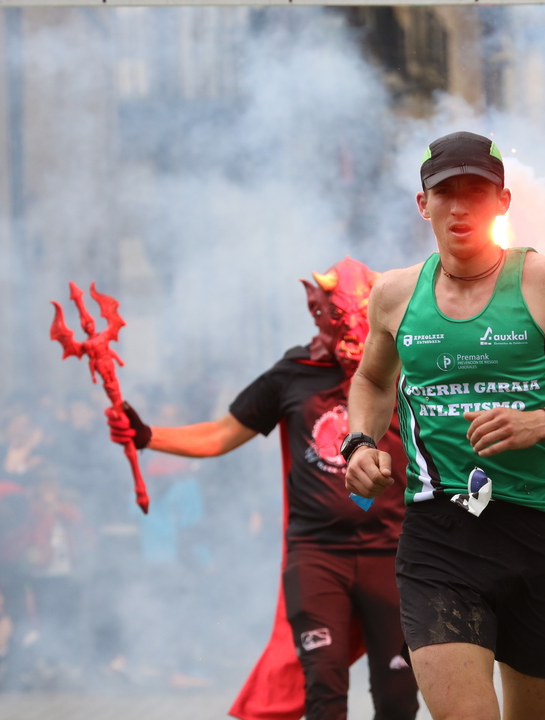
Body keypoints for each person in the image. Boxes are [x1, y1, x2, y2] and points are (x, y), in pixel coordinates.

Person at [344, 131, 545, 720]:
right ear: (423, 204)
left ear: (502, 202)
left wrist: (544, 422)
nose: (460, 207)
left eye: (477, 192)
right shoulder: (393, 293)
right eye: (446, 193)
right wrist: (360, 441)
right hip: (439, 530)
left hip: (541, 528)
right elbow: (374, 382)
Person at [109, 257, 419, 720]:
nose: (353, 333)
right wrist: (149, 435)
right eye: (341, 318)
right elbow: (221, 434)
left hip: (394, 554)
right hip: (317, 555)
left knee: (398, 697)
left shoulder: (406, 368)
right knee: (323, 688)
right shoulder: (294, 373)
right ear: (320, 313)